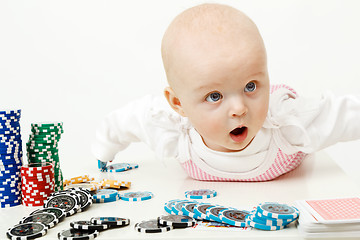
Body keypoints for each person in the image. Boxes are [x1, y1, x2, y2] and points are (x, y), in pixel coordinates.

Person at [92, 3, 360, 181]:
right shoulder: (173, 129)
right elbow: (127, 121)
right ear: (179, 103)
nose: (239, 108)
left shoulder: (288, 124)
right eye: (215, 96)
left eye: (251, 86)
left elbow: (345, 115)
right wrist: (105, 150)